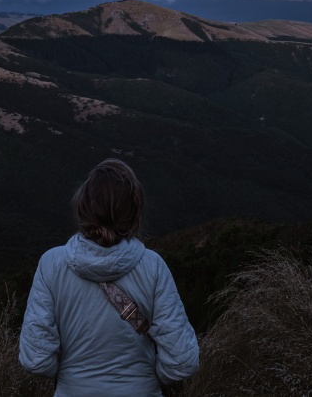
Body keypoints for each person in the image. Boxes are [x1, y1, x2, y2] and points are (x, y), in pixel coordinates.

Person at [19, 158, 199, 396]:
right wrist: (146, 378)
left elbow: (36, 360)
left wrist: (72, 377)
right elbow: (182, 362)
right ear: (133, 212)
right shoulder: (153, 267)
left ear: (83, 206)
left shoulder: (52, 264)